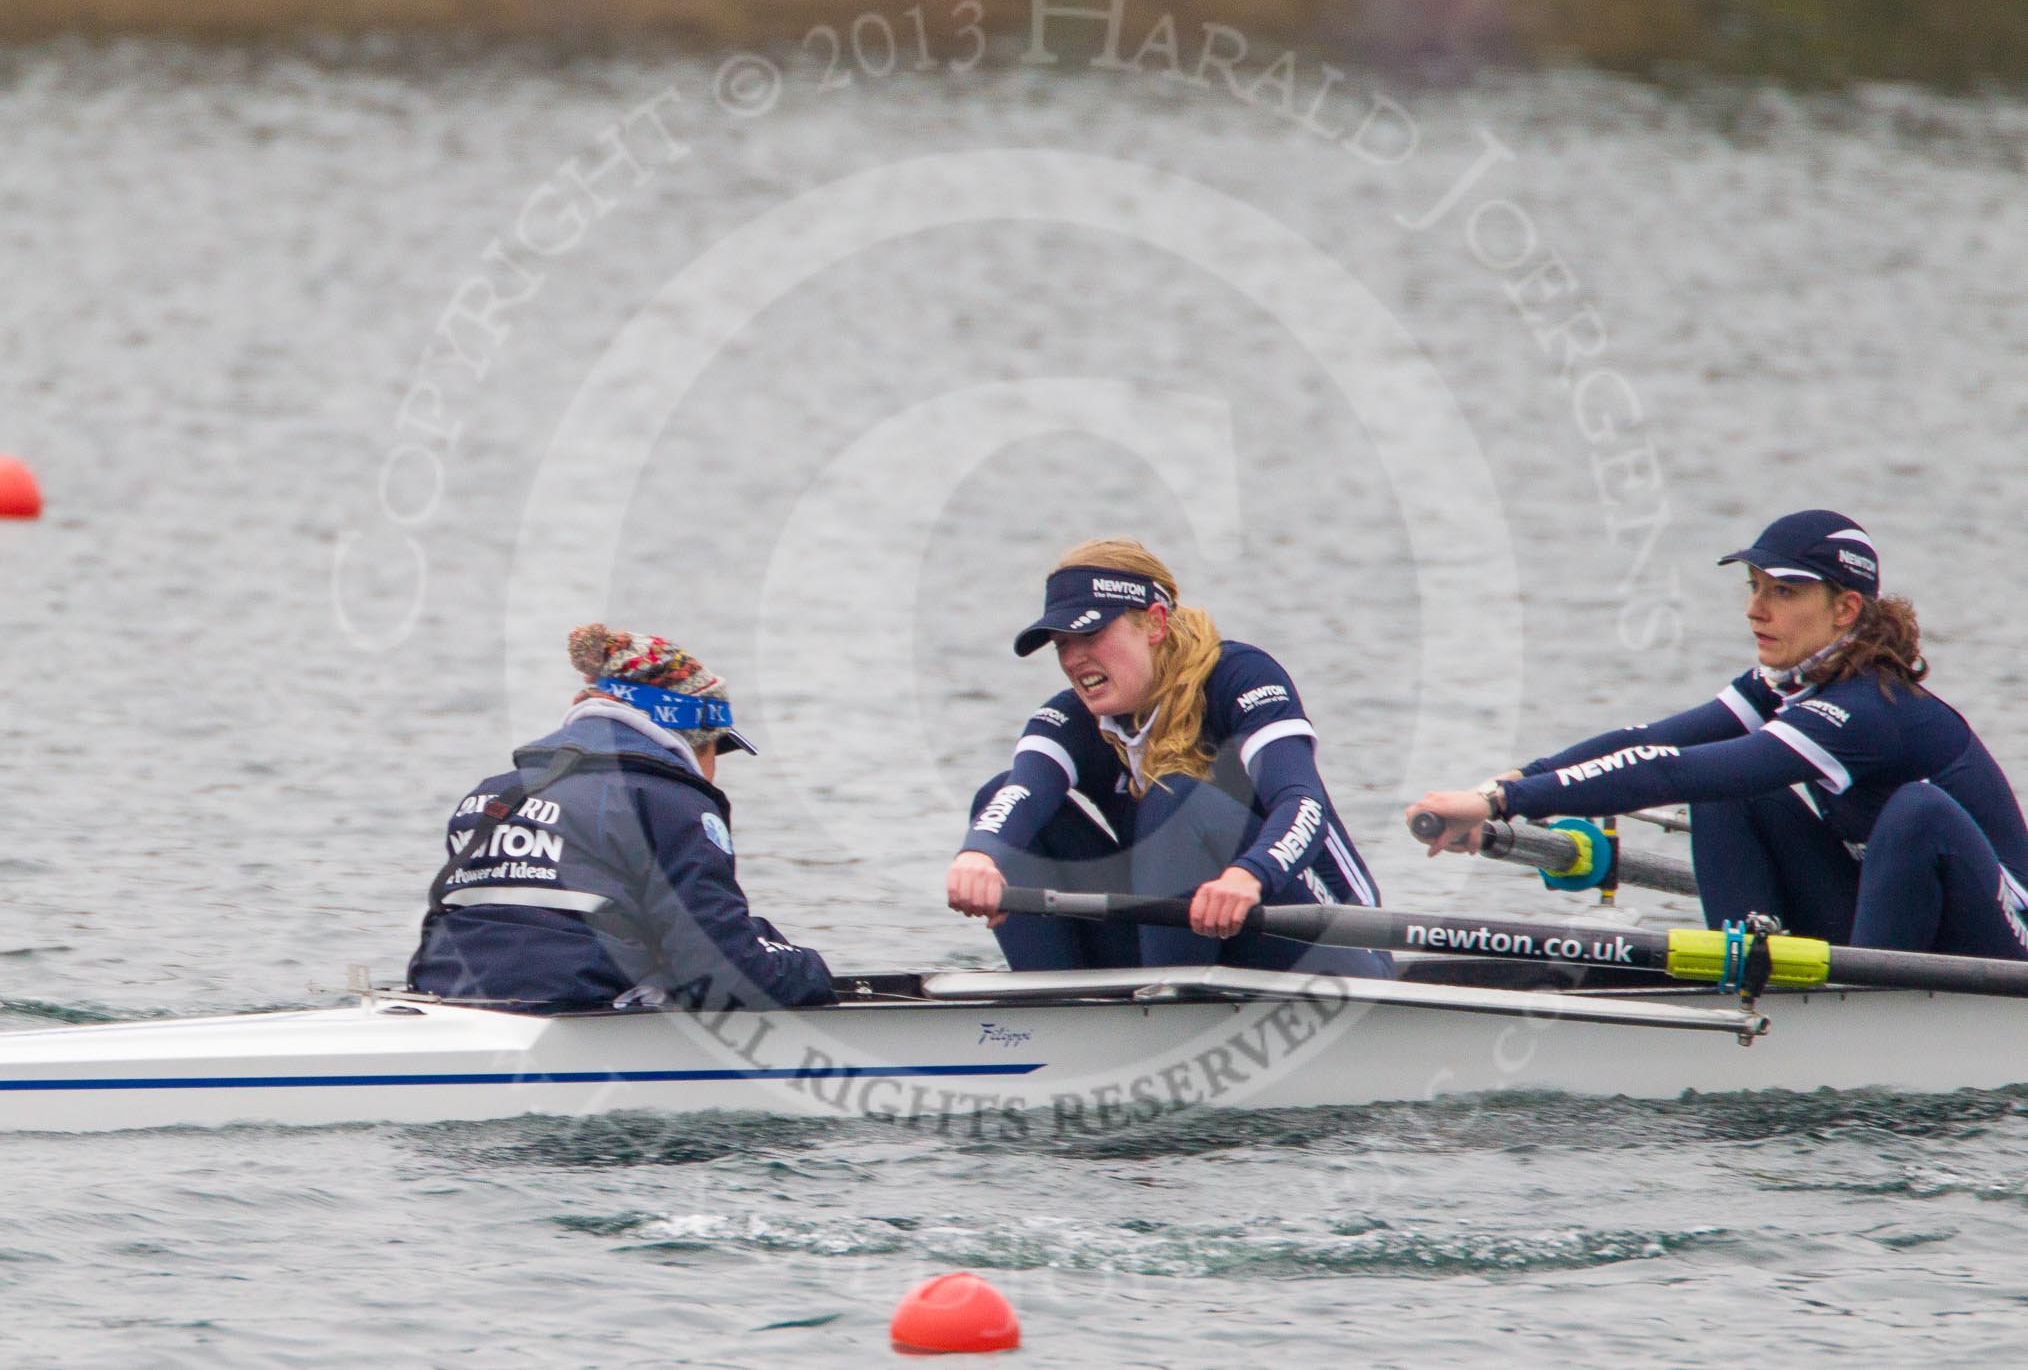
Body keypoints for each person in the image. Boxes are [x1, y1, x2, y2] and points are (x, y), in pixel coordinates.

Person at [1406, 510, 2028, 959]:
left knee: (1914, 809)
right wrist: (1506, 785)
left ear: (1846, 610)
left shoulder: (1870, 707)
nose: (1757, 609)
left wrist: (1500, 807)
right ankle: (1748, 966)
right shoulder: (1789, 684)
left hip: (1999, 940)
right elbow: (1652, 741)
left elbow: (1671, 773)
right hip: (1898, 919)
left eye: (1784, 591)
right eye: (1755, 588)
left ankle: (1859, 1012)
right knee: (1727, 785)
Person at [946, 539, 1390, 978]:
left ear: (1155, 624)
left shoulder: (1241, 679)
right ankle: (1054, 1020)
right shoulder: (1070, 719)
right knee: (996, 799)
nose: (1074, 658)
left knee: (1177, 799)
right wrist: (979, 856)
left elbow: (1302, 801)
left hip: (1333, 941)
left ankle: (1160, 1011)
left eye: (1090, 634)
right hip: (1190, 936)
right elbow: (1022, 791)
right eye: (1062, 643)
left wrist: (1248, 874)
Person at [407, 625, 836, 1010]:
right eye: (718, 749)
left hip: (443, 999)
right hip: (582, 1020)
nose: (714, 769)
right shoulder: (667, 802)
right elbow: (724, 972)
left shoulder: (492, 794)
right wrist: (810, 969)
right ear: (688, 734)